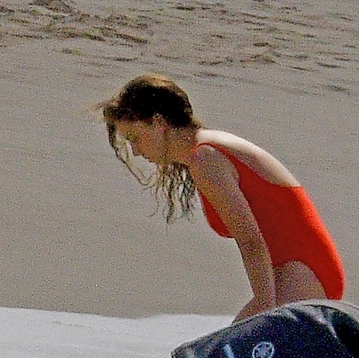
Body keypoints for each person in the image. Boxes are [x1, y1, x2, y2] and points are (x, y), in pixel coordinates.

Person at [100, 73, 346, 321]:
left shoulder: (205, 159)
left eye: (134, 138)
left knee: (233, 351)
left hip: (305, 271)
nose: (135, 150)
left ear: (158, 122)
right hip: (297, 273)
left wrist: (264, 307)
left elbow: (251, 241)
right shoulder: (205, 150)